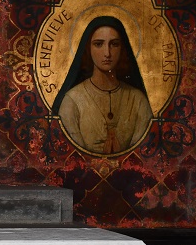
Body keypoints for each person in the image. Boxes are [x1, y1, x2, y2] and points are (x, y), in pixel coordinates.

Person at [54, 16, 152, 155]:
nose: (107, 53)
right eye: (98, 44)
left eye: (114, 44)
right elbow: (73, 157)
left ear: (123, 49)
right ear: (88, 48)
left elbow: (142, 154)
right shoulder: (72, 101)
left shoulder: (138, 100)